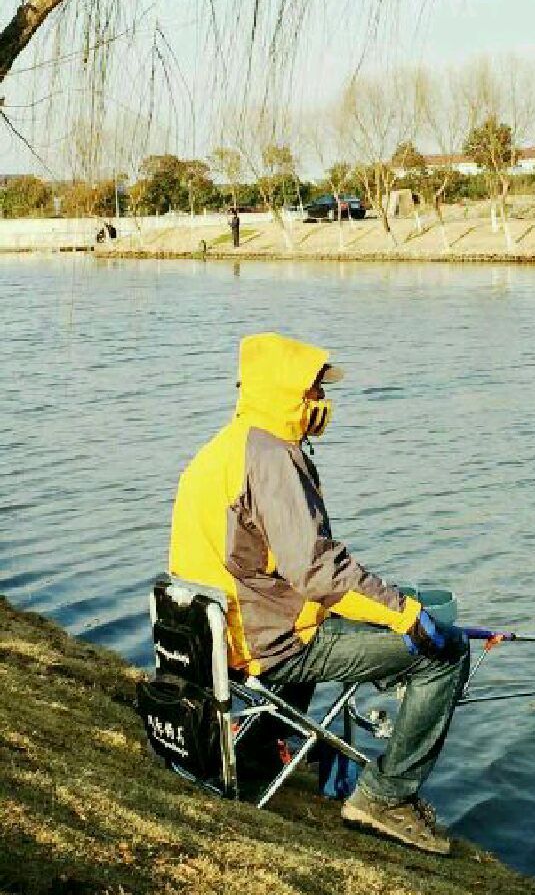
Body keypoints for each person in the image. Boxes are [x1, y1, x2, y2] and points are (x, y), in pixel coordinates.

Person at [168, 332, 469, 854]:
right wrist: (407, 614)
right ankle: (385, 798)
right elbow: (318, 573)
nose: (322, 402)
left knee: (357, 616)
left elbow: (280, 568)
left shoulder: (228, 446)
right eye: (314, 390)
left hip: (220, 637)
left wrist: (380, 605)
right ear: (285, 391)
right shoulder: (272, 458)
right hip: (267, 644)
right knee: (446, 654)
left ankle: (260, 750)